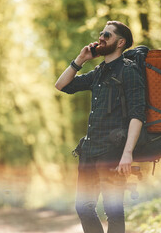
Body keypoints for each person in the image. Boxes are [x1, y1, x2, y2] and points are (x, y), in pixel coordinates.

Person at [55, 21, 145, 233]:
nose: (101, 38)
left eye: (107, 34)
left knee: (113, 211)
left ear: (121, 42)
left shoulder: (129, 71)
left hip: (113, 152)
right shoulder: (99, 72)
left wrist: (127, 153)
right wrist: (81, 59)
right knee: (83, 207)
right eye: (101, 34)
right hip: (89, 151)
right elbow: (62, 85)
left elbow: (137, 114)